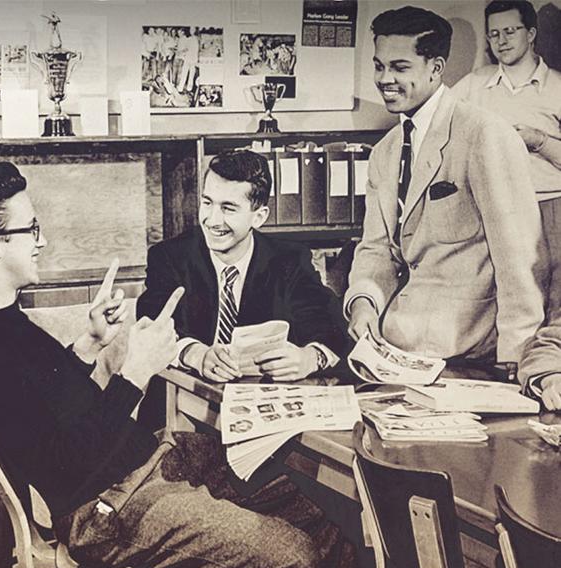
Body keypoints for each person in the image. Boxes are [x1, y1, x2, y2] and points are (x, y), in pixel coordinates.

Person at [0, 161, 333, 568]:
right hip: (103, 510)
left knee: (316, 506)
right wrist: (136, 374)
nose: (41, 239)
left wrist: (89, 343)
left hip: (130, 469)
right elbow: (69, 461)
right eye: (30, 228)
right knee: (288, 558)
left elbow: (51, 405)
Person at [344, 6, 545, 366]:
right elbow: (375, 248)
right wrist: (363, 303)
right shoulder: (384, 152)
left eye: (400, 67)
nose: (385, 78)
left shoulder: (484, 134)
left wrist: (516, 358)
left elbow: (520, 261)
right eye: (379, 65)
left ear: (436, 68)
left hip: (472, 354)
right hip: (397, 350)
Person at [137, 149, 348, 383]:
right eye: (207, 203)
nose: (212, 220)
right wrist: (195, 354)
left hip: (264, 401)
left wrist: (310, 357)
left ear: (258, 217)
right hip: (182, 399)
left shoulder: (288, 260)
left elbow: (332, 327)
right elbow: (150, 325)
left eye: (228, 208)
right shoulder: (170, 257)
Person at [453, 0, 561, 312]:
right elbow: (437, 127)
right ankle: (512, 361)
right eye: (494, 34)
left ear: (531, 33)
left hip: (550, 207)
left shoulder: (558, 87)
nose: (501, 41)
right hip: (495, 208)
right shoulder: (474, 85)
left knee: (555, 304)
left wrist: (537, 139)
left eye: (510, 31)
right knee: (505, 301)